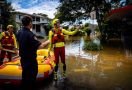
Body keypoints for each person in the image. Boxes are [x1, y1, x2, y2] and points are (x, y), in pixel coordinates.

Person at [16, 15, 50, 89]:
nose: (32, 23)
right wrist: (49, 41)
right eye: (31, 22)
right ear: (30, 23)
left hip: (23, 59)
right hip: (30, 61)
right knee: (32, 78)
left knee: (25, 77)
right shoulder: (30, 34)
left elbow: (21, 43)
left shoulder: (18, 32)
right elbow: (40, 46)